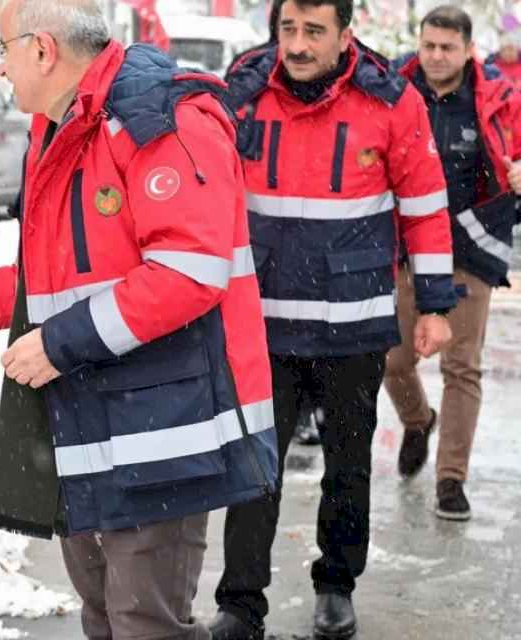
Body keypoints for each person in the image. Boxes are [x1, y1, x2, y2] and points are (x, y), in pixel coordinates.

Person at [0, 0, 279, 637]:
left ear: (42, 50)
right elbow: (41, 284)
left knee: (144, 624)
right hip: (91, 424)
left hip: (162, 432)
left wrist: (58, 344)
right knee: (105, 619)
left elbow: (189, 273)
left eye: (2, 51)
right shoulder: (61, 130)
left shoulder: (159, 118)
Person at [216, 1, 457, 638]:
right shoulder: (241, 91)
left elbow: (426, 206)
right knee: (252, 470)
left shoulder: (390, 101)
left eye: (313, 32)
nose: (296, 46)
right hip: (262, 326)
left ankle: (336, 587)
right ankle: (240, 604)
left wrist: (433, 304)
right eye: (287, 29)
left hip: (352, 326)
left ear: (345, 34)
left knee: (347, 468)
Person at [387, 5, 521, 521]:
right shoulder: (395, 89)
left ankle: (450, 480)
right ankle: (418, 421)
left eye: (447, 47)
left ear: (468, 49)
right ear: (418, 45)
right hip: (404, 245)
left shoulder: (498, 99)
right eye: (429, 46)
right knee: (392, 359)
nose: (437, 56)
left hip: (471, 245)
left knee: (461, 366)